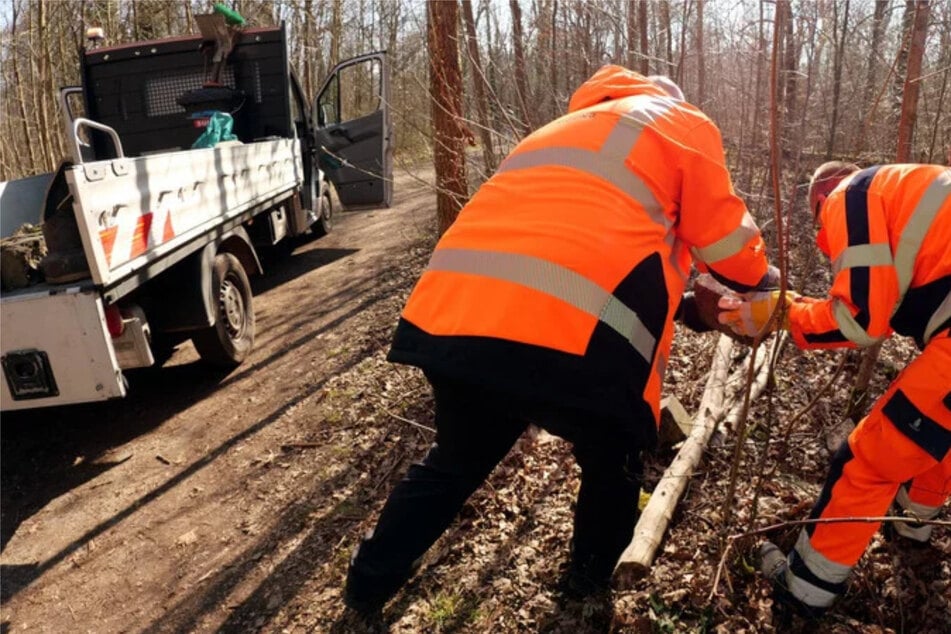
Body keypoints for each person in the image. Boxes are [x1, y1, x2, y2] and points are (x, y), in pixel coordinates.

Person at [342, 65, 774, 621]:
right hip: (574, 340)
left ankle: (367, 584)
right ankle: (586, 589)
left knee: (454, 463)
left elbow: (580, 253)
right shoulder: (677, 121)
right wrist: (764, 284)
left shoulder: (554, 132)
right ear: (671, 98)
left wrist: (691, 311)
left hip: (456, 318)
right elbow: (729, 246)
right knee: (613, 459)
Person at [718, 162, 951, 617]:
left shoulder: (852, 194)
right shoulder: (911, 194)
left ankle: (803, 589)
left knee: (867, 460)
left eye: (820, 223)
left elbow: (861, 319)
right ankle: (913, 525)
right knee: (934, 432)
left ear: (822, 198)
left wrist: (783, 312)